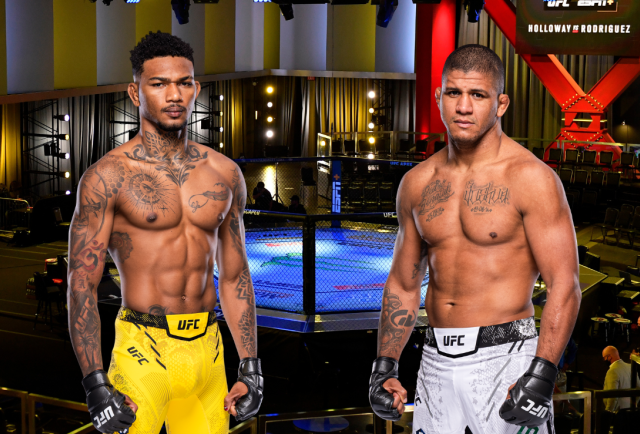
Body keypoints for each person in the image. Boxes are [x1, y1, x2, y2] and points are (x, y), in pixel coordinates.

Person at [368, 44, 581, 434]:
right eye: (454, 93)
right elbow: (403, 283)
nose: (463, 107)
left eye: (478, 95)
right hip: (434, 359)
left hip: (507, 358)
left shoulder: (531, 179)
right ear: (439, 97)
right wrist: (385, 365)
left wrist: (543, 371)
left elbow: (564, 284)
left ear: (501, 104)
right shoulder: (417, 183)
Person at [67, 31, 263, 434]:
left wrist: (250, 365)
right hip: (141, 351)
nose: (174, 95)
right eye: (158, 84)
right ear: (135, 93)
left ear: (196, 89)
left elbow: (235, 276)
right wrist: (95, 383)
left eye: (183, 83)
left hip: (209, 351)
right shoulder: (107, 177)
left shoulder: (225, 173)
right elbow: (81, 283)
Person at [603, 346, 640, 413]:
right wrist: (634, 406)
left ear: (609, 357)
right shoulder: (630, 367)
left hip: (618, 413)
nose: (604, 360)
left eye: (604, 357)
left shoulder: (612, 371)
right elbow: (638, 389)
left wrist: (608, 412)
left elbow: (612, 397)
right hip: (631, 411)